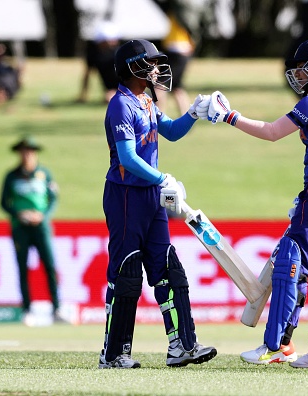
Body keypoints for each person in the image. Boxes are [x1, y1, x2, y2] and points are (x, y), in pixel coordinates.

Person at [201, 38, 308, 369]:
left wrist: (229, 116)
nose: (298, 74)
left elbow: (273, 132)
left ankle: (277, 346)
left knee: (290, 259)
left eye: (303, 67)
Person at [98, 39, 216, 369]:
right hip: (125, 195)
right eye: (149, 64)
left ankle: (182, 345)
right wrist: (162, 177)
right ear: (132, 68)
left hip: (151, 195)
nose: (155, 70)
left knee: (167, 268)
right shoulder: (121, 104)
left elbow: (173, 132)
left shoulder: (146, 101)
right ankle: (113, 354)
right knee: (127, 272)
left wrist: (194, 112)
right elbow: (127, 157)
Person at [0, 135, 61, 323]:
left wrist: (43, 215)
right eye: (24, 152)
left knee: (49, 265)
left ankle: (56, 309)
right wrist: (19, 214)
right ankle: (27, 310)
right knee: (22, 267)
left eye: (30, 151)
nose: (27, 155)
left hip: (41, 227)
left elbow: (53, 199)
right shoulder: (12, 176)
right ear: (19, 154)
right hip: (20, 228)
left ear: (35, 154)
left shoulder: (44, 174)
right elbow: (4, 203)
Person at [156, 0, 202, 115]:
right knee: (177, 87)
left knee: (159, 86)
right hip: (176, 50)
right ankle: (186, 119)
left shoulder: (180, 5)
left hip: (178, 49)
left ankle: (157, 120)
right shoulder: (174, 7)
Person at [76, 21, 121, 104]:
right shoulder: (94, 55)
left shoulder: (120, 54)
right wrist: (83, 96)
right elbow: (87, 74)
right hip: (110, 90)